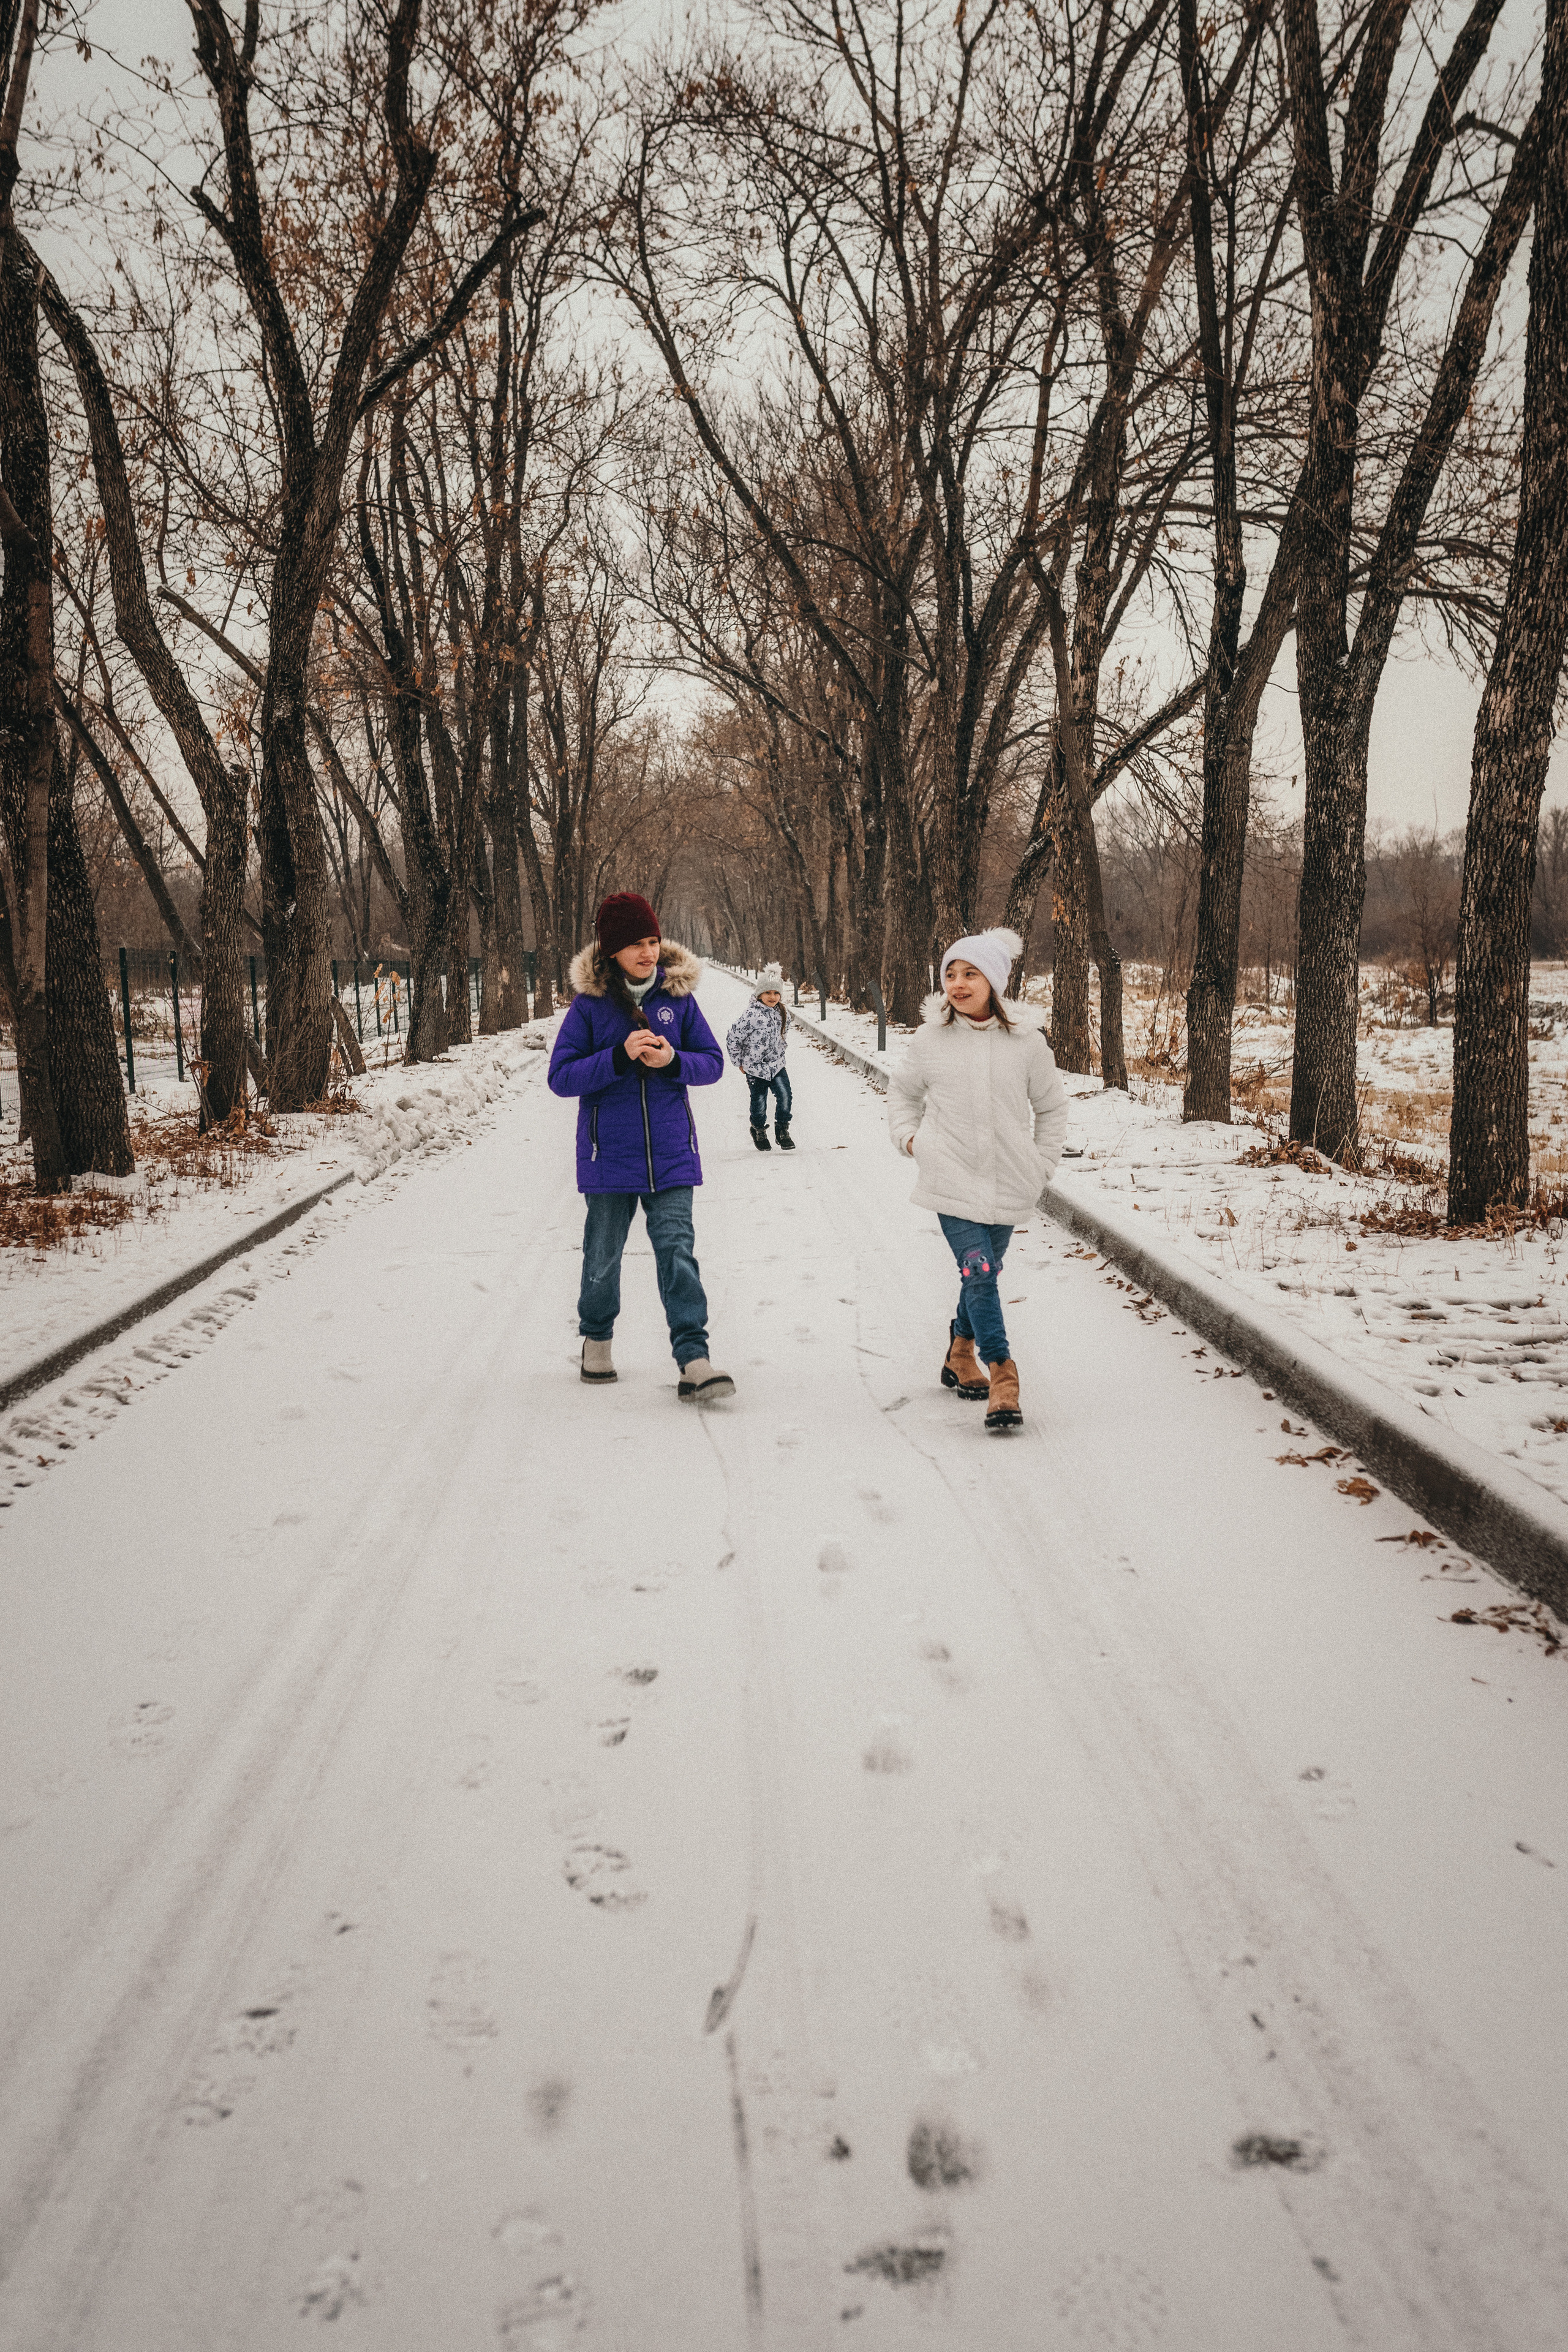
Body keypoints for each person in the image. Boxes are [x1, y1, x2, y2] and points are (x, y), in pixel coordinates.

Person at [548, 892, 734, 1402]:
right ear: (612, 951)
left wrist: (673, 1060)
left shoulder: (678, 1000)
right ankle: (597, 1340)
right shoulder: (589, 1007)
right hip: (608, 1157)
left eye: (652, 941)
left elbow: (712, 1063)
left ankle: (693, 1359)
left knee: (678, 1252)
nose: (648, 953)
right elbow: (561, 1077)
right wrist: (617, 1056)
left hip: (672, 1155)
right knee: (603, 1256)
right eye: (635, 944)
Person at [886, 926, 1068, 1433]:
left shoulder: (1028, 1043)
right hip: (951, 1177)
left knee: (981, 1275)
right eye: (951, 974)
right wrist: (911, 1140)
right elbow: (902, 1094)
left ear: (995, 981)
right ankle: (1003, 1375)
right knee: (980, 1270)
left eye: (971, 974)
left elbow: (1052, 1107)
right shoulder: (930, 1039)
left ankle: (959, 1351)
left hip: (1011, 1180)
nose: (958, 984)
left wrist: (1042, 1164)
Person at [725, 963, 794, 1151]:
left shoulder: (783, 1013)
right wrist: (738, 1061)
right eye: (768, 993)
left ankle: (782, 1130)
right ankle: (758, 1129)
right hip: (755, 1067)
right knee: (759, 1102)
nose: (772, 997)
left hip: (777, 1065)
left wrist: (780, 1051)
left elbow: (784, 1033)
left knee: (785, 1096)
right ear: (760, 994)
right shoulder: (751, 1015)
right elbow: (734, 1037)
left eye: (776, 993)